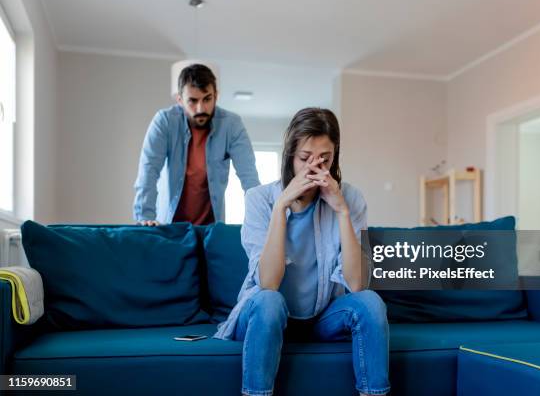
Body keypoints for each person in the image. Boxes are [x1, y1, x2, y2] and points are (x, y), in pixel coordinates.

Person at [214, 108, 390, 396]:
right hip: (268, 316)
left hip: (321, 318)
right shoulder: (259, 199)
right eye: (305, 159)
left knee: (370, 302)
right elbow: (268, 283)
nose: (315, 169)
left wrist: (342, 211)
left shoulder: (351, 197)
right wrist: (281, 207)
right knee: (269, 301)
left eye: (325, 159)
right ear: (289, 156)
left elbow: (357, 284)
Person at [133, 64, 260, 225]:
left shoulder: (231, 124)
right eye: (193, 101)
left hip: (211, 228)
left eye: (207, 99)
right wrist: (145, 217)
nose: (201, 108)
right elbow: (148, 171)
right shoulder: (164, 121)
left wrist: (261, 219)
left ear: (216, 96)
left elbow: (249, 177)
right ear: (180, 100)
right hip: (170, 226)